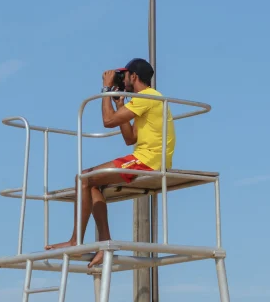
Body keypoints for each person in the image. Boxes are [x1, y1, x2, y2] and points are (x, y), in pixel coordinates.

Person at [46, 58, 176, 268]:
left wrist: (105, 90)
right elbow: (130, 138)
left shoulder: (146, 97)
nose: (122, 79)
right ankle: (104, 243)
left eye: (124, 75)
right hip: (145, 157)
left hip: (147, 160)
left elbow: (108, 122)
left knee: (83, 178)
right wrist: (119, 104)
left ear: (134, 77)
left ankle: (76, 240)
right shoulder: (148, 98)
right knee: (90, 181)